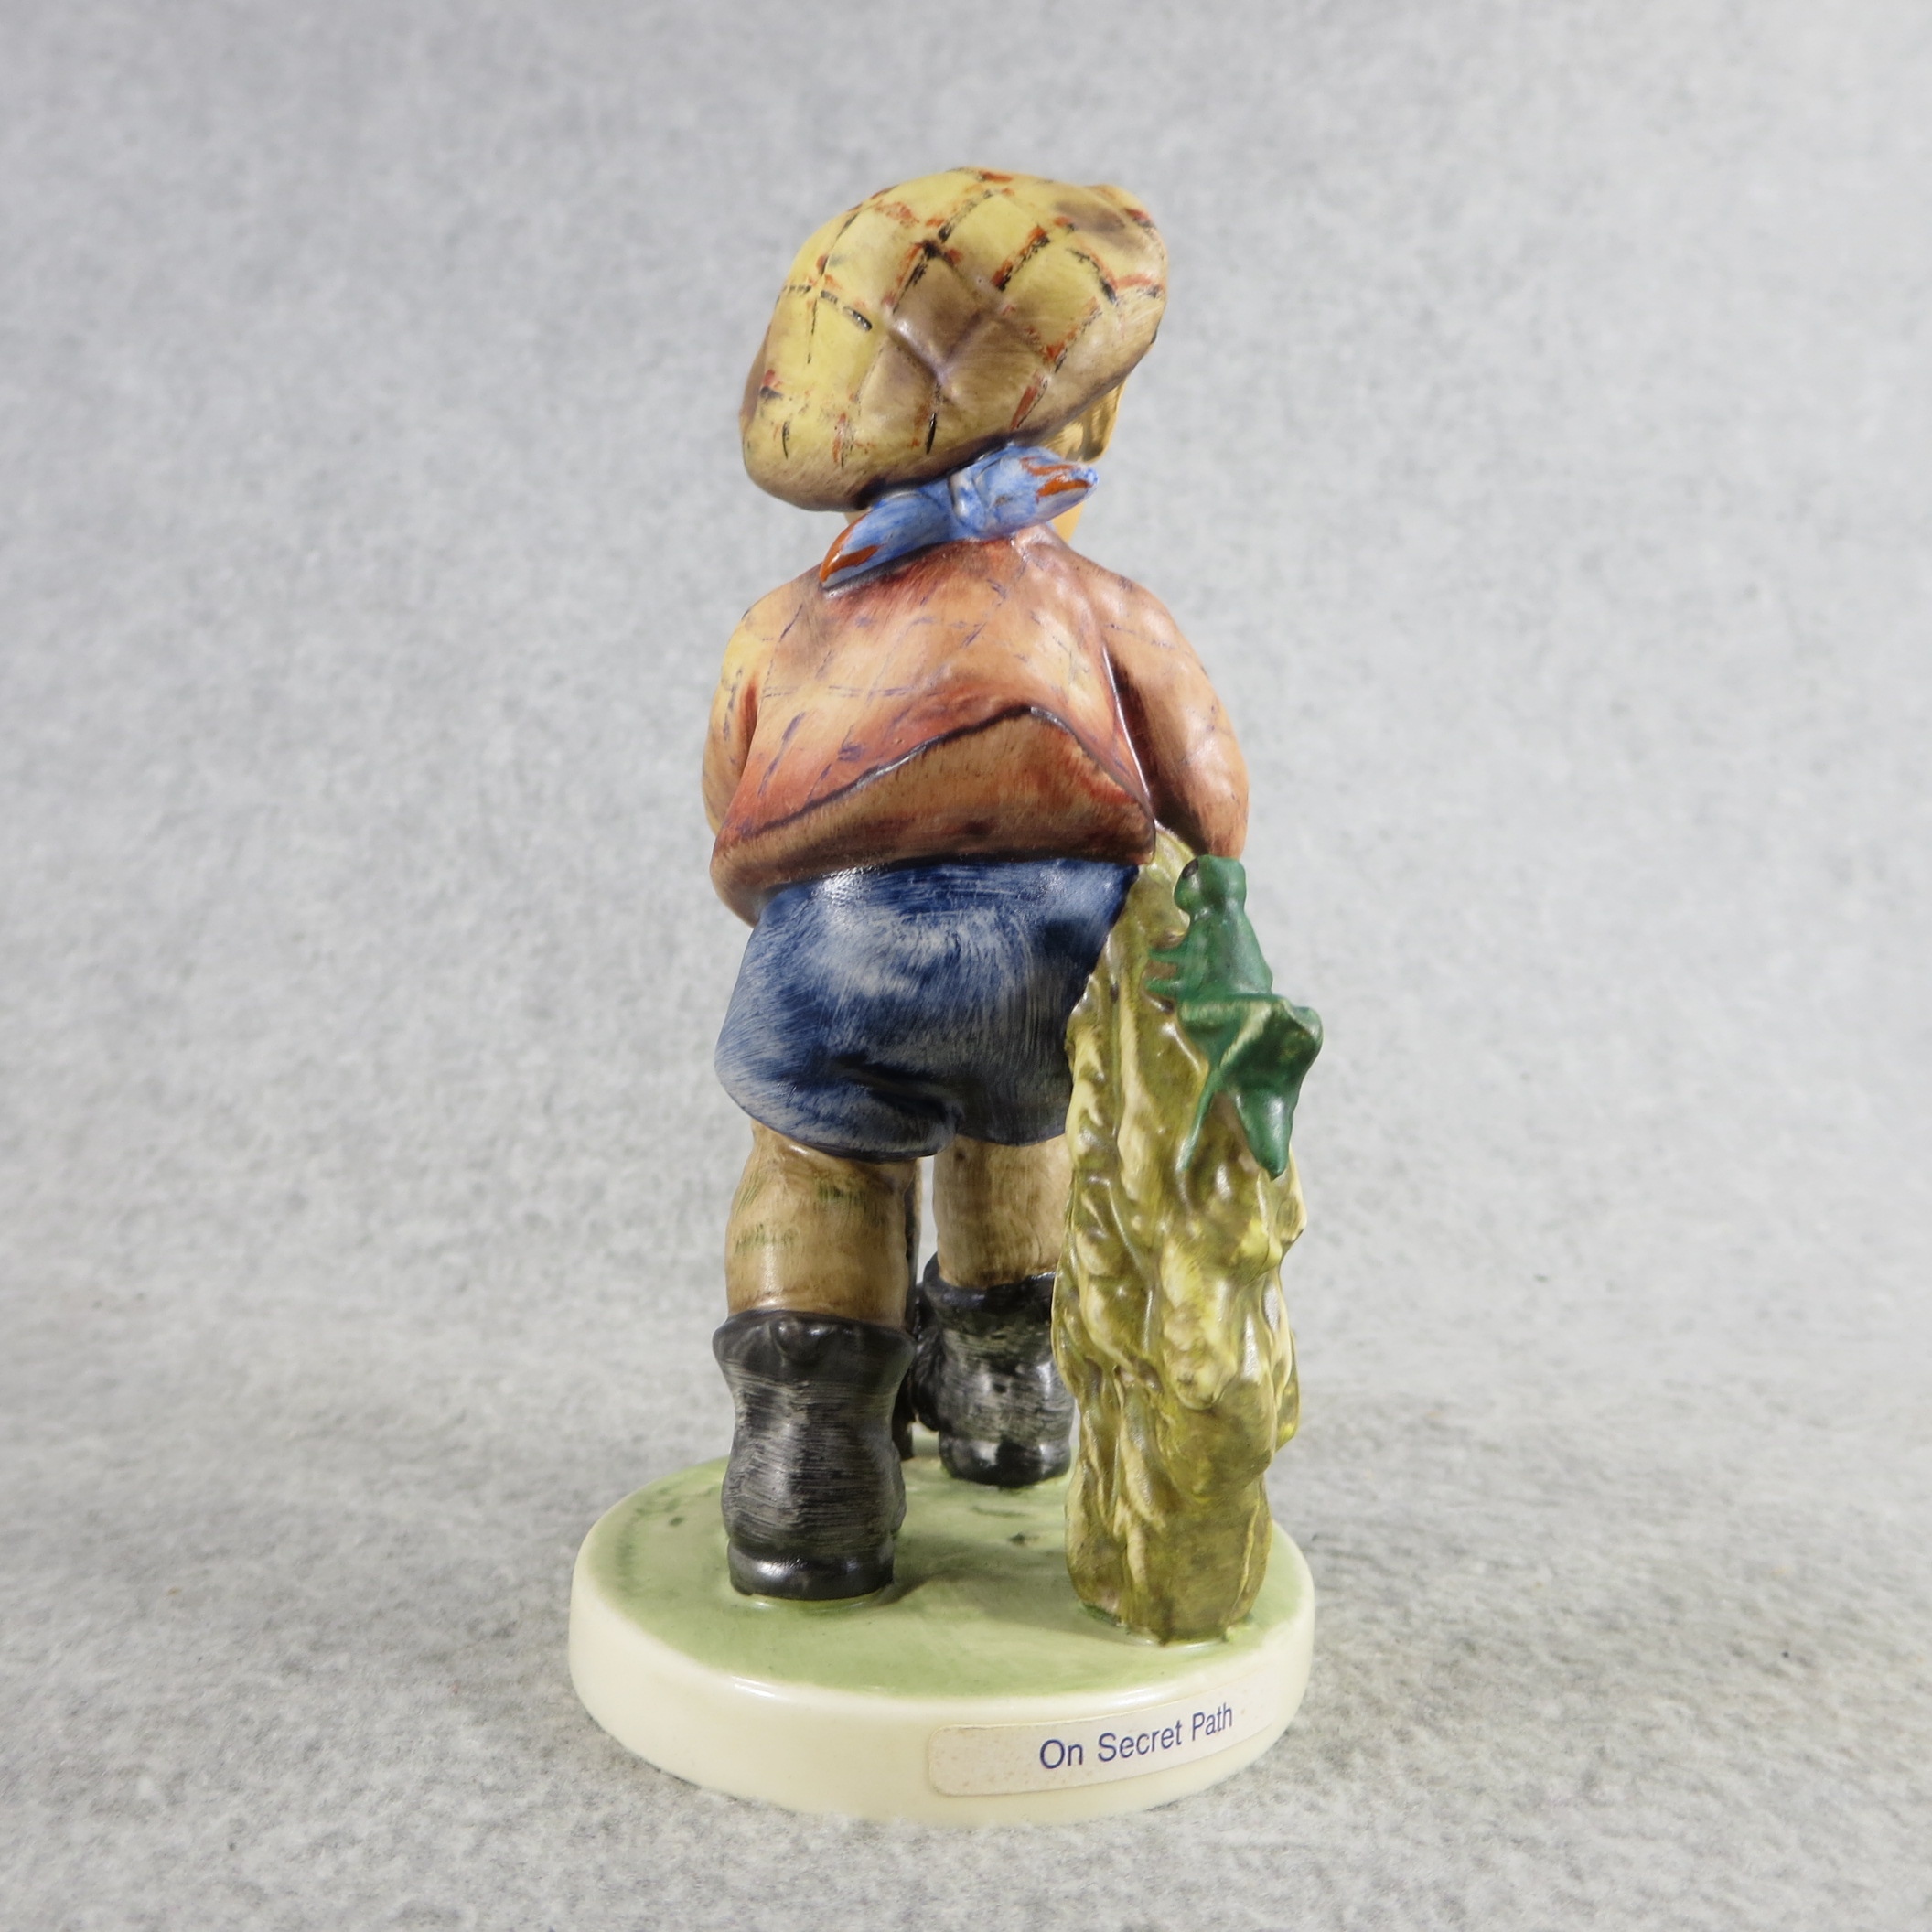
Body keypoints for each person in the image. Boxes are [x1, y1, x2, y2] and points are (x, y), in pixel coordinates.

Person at [703, 168, 1250, 1599]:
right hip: (1054, 951)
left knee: (819, 1164)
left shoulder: (782, 626)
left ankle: (810, 1456)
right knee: (1020, 1138)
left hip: (834, 944)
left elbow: (730, 805)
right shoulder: (1103, 608)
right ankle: (1010, 1393)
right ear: (1086, 418)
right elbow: (1211, 798)